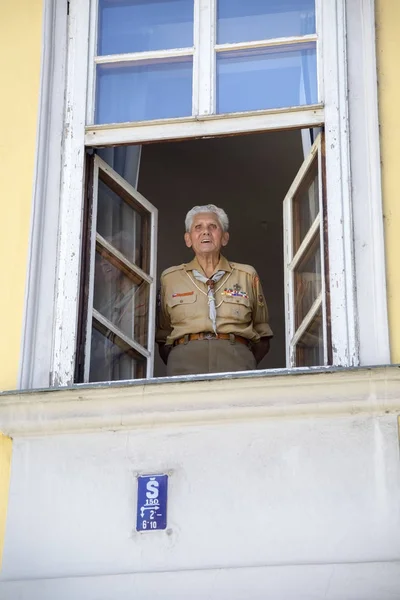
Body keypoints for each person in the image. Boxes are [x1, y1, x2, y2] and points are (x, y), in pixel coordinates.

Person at [156, 204, 273, 376]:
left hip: (236, 359)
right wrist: (180, 356)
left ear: (224, 238)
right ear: (188, 239)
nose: (206, 232)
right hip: (184, 361)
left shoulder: (246, 275)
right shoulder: (170, 278)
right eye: (198, 227)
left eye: (213, 226)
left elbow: (262, 332)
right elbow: (162, 335)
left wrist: (243, 359)